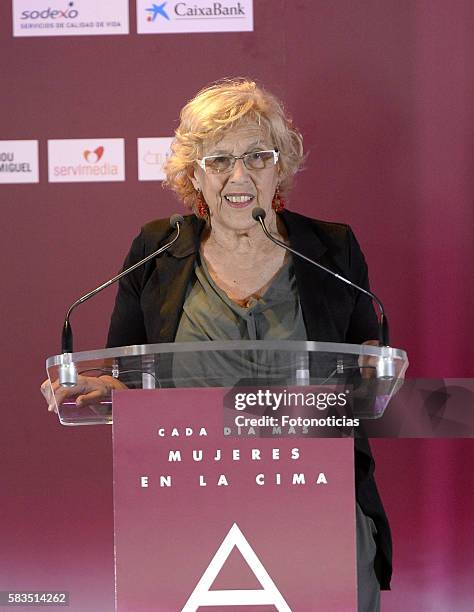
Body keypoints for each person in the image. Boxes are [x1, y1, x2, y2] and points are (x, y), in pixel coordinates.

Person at [42, 78, 391, 611]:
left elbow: (366, 351)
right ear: (194, 175)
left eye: (257, 156)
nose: (239, 175)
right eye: (219, 160)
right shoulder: (157, 251)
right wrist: (96, 389)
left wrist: (376, 374)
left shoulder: (331, 248)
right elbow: (123, 370)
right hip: (192, 501)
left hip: (317, 500)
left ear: (280, 167)